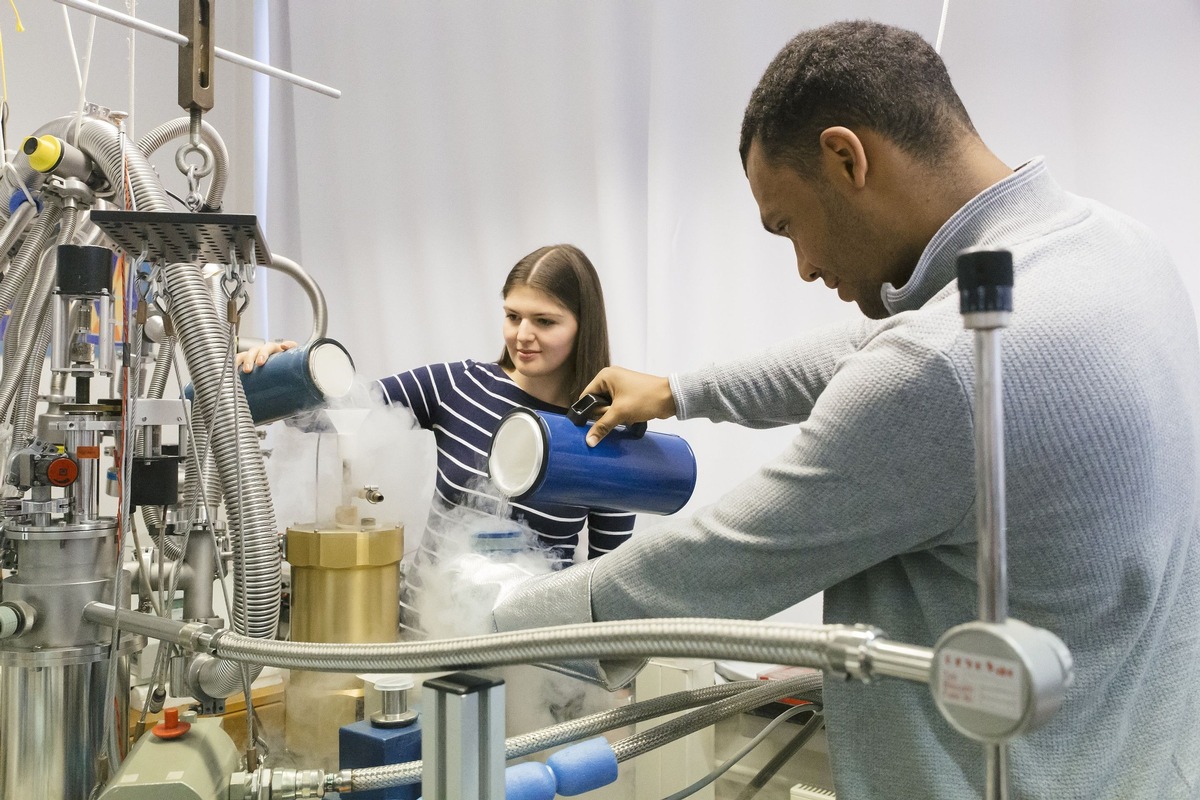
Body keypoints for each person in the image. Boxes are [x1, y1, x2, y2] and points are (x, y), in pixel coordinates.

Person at [493, 20, 1200, 800]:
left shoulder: (938, 374)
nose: (803, 266)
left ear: (846, 157)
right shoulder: (1116, 251)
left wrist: (491, 627)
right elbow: (877, 350)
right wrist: (680, 391)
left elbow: (715, 564)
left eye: (789, 223)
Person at [243, 243, 636, 573]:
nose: (523, 335)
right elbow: (338, 414)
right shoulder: (459, 385)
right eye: (513, 316)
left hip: (527, 653)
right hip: (424, 638)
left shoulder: (607, 437)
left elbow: (609, 579)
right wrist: (283, 372)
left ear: (583, 326)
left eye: (545, 321)